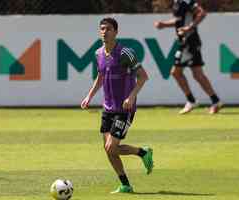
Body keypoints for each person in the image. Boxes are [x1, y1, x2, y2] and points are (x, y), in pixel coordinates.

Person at [81, 17, 153, 194]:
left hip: (125, 109)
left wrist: (131, 97)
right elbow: (101, 77)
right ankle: (125, 185)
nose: (104, 32)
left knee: (111, 147)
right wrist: (89, 96)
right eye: (102, 29)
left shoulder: (125, 53)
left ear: (116, 32)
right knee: (108, 149)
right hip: (108, 108)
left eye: (108, 29)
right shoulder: (98, 54)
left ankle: (142, 153)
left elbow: (143, 76)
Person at [154, 0, 222, 114]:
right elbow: (179, 20)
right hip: (185, 42)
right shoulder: (177, 2)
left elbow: (202, 13)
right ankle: (214, 101)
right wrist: (164, 25)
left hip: (189, 42)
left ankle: (194, 101)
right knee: (195, 74)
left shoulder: (186, 1)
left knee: (178, 72)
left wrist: (189, 27)